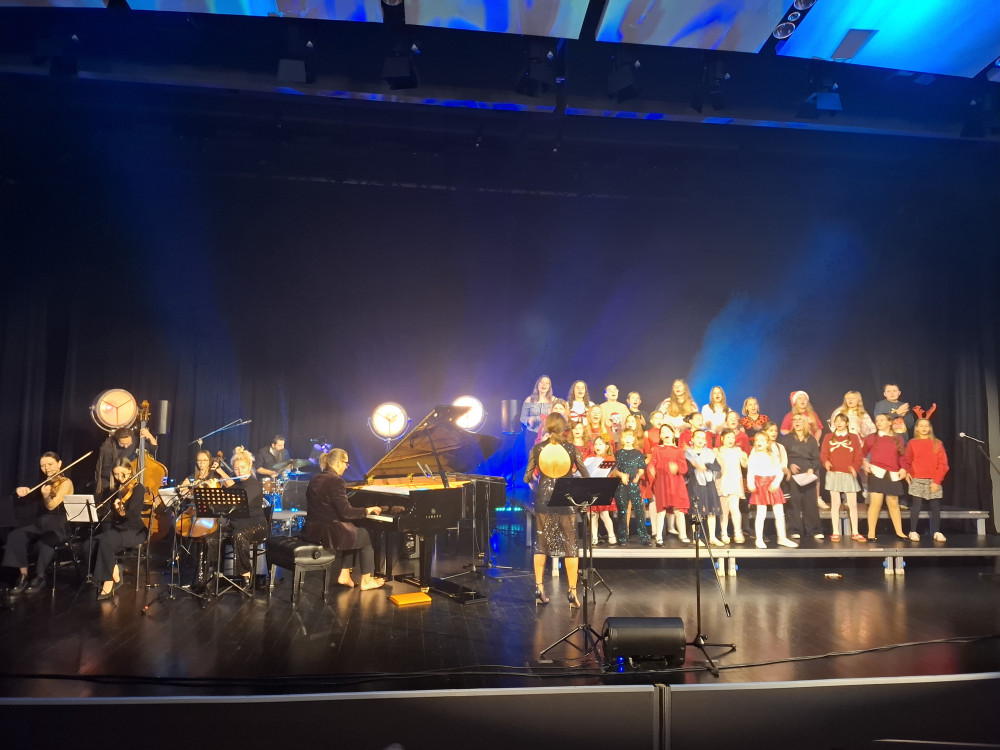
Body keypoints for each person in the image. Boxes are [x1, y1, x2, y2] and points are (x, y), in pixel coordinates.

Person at [523, 413, 588, 607]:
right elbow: (585, 474)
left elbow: (526, 477)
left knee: (541, 543)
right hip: (566, 499)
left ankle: (539, 588)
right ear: (563, 428)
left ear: (547, 427)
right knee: (570, 544)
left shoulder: (537, 448)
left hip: (544, 499)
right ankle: (572, 592)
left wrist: (536, 477)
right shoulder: (571, 448)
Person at [303, 449, 385, 590]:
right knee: (366, 536)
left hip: (313, 530)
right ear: (339, 463)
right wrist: (367, 510)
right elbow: (346, 512)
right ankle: (366, 581)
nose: (346, 467)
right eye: (346, 463)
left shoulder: (315, 478)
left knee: (352, 530)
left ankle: (345, 575)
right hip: (330, 532)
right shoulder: (336, 481)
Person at [2, 452, 73, 594]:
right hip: (41, 524)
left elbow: (52, 506)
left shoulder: (66, 483)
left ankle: (40, 577)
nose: (47, 468)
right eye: (43, 466)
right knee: (15, 536)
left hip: (59, 526)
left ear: (59, 464)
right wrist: (19, 491)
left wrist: (46, 496)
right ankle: (23, 575)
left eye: (50, 464)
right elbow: (27, 497)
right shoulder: (43, 482)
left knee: (47, 540)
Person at [86, 458, 148, 600]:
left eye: (123, 474)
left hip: (134, 530)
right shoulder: (113, 490)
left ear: (130, 471)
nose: (119, 477)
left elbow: (133, 515)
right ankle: (114, 570)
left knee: (106, 541)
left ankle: (108, 581)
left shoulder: (138, 488)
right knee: (89, 543)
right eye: (115, 474)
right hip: (117, 530)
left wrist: (121, 511)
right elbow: (107, 515)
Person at [224, 447, 269, 586]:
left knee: (238, 535)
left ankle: (245, 575)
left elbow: (241, 500)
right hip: (237, 524)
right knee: (210, 536)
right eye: (236, 469)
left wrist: (227, 485)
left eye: (243, 467)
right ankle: (204, 577)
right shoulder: (235, 484)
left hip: (256, 525)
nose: (240, 472)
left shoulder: (254, 484)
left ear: (249, 466)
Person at [746, 432, 798, 549]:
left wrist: (775, 483)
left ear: (767, 443)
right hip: (760, 485)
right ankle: (759, 539)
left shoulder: (773, 456)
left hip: (772, 484)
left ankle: (782, 537)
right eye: (757, 440)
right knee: (761, 513)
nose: (759, 442)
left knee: (779, 513)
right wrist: (750, 484)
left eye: (762, 440)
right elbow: (750, 472)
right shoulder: (753, 456)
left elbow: (779, 472)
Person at [862, 413, 909, 541]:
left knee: (893, 503)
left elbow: (902, 456)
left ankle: (900, 532)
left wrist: (904, 468)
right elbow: (862, 453)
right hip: (877, 472)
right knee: (876, 503)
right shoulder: (872, 438)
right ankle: (871, 534)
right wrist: (865, 462)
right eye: (877, 420)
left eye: (882, 420)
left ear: (890, 422)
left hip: (892, 473)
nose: (878, 422)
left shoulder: (898, 438)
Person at [903, 418, 949, 543]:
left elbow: (943, 464)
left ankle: (936, 531)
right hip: (917, 478)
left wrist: (937, 481)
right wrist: (907, 471)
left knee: (935, 505)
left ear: (930, 428)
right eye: (921, 426)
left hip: (933, 479)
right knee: (916, 504)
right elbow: (907, 459)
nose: (924, 428)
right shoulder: (912, 443)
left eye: (926, 426)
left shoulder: (937, 443)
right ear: (917, 428)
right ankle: (913, 531)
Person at [821, 413, 864, 542]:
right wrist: (826, 462)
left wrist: (854, 467)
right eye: (837, 421)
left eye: (842, 421)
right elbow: (824, 453)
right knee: (835, 504)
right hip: (834, 474)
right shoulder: (828, 437)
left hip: (848, 474)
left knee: (852, 504)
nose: (839, 423)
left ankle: (855, 532)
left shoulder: (853, 437)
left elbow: (858, 456)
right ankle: (835, 531)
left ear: (847, 423)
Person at [780, 414, 823, 541]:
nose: (797, 422)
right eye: (794, 420)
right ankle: (795, 530)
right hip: (793, 474)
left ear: (805, 422)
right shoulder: (787, 439)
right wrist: (789, 465)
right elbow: (782, 456)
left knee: (810, 502)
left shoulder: (811, 439)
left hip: (808, 473)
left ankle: (814, 530)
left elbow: (816, 458)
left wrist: (812, 469)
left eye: (800, 420)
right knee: (794, 502)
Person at [647, 425, 689, 543]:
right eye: (663, 432)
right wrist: (651, 469)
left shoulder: (679, 450)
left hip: (676, 483)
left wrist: (677, 468)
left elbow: (684, 468)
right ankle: (659, 536)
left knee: (678, 510)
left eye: (668, 431)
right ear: (660, 436)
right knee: (661, 511)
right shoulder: (657, 449)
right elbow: (652, 463)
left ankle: (683, 535)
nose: (665, 433)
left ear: (673, 434)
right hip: (662, 483)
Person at [685, 429, 723, 546]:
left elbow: (717, 467)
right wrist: (694, 466)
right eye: (698, 437)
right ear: (692, 439)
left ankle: (712, 537)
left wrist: (706, 466)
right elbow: (686, 471)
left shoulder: (709, 453)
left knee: (711, 510)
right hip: (695, 484)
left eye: (703, 438)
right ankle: (696, 537)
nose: (700, 440)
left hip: (708, 484)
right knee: (696, 511)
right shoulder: (688, 453)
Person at [611, 428, 649, 546]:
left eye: (630, 437)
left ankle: (643, 536)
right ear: (622, 439)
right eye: (625, 437)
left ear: (633, 439)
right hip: (622, 486)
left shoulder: (638, 453)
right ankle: (622, 537)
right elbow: (614, 470)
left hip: (634, 485)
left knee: (639, 510)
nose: (628, 439)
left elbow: (641, 469)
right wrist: (621, 475)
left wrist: (638, 476)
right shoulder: (618, 454)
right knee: (622, 511)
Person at [95, 425, 157, 493]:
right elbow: (105, 471)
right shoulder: (107, 448)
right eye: (122, 443)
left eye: (128, 443)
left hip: (127, 478)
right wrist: (121, 476)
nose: (126, 446)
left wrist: (150, 436)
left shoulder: (134, 440)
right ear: (117, 440)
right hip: (111, 481)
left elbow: (153, 448)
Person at [716, 428, 746, 544]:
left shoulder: (738, 450)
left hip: (734, 482)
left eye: (733, 437)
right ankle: (724, 533)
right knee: (724, 510)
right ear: (722, 438)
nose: (731, 440)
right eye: (728, 437)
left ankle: (738, 532)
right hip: (723, 481)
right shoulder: (718, 451)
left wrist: (745, 458)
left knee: (734, 508)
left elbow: (744, 464)